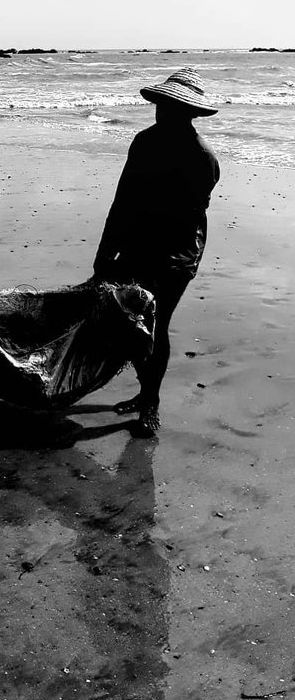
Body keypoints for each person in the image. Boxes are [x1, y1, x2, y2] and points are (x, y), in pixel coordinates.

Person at [93, 68, 220, 436]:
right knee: (133, 323)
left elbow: (188, 216)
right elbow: (123, 200)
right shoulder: (144, 142)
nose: (162, 112)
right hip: (138, 243)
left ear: (189, 112)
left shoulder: (203, 157)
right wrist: (106, 252)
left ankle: (150, 403)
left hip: (178, 252)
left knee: (156, 325)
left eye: (172, 107)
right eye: (161, 105)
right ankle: (145, 389)